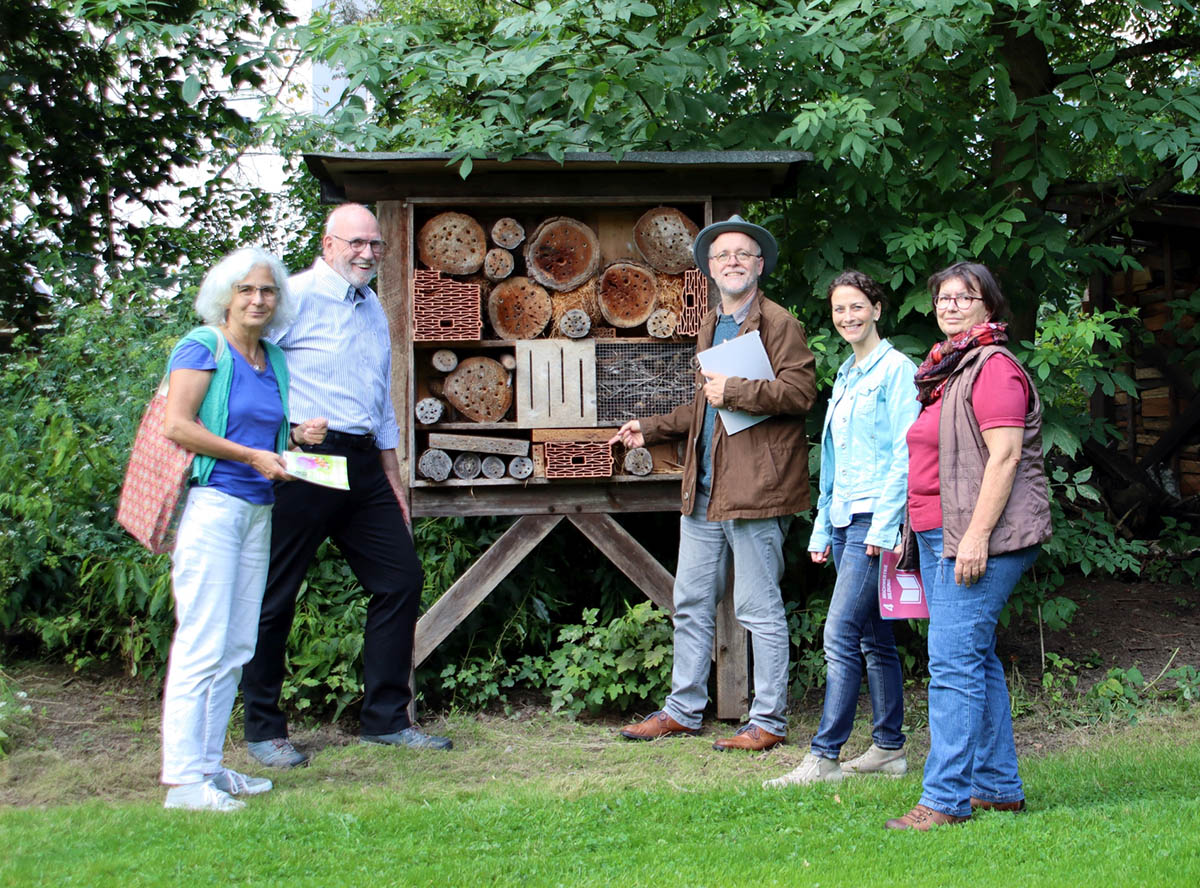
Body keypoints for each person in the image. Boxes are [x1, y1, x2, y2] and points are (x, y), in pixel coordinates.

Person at [242, 203, 451, 769]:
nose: (367, 253)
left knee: (399, 578)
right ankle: (263, 728)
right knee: (276, 593)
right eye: (356, 243)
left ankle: (386, 720)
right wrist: (282, 431)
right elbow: (250, 366)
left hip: (362, 462)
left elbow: (379, 399)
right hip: (307, 459)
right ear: (328, 243)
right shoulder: (296, 295)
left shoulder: (373, 306)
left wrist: (393, 474)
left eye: (374, 245)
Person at [612, 215, 816, 751]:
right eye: (723, 254)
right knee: (692, 602)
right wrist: (651, 429)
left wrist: (742, 391)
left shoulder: (777, 322)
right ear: (709, 268)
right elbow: (708, 403)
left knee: (757, 609)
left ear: (759, 265)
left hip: (752, 494)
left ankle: (769, 721)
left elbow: (800, 394)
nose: (733, 261)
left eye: (743, 254)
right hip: (702, 491)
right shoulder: (711, 323)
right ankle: (683, 709)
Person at [885, 261, 1052, 830]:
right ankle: (999, 787)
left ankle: (946, 800)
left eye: (965, 296)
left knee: (952, 663)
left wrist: (976, 536)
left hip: (983, 537)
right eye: (944, 298)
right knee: (972, 660)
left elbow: (1004, 457)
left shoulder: (994, 368)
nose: (951, 305)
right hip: (938, 531)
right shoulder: (948, 369)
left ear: (989, 306)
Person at [160, 247, 327, 811]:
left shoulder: (272, 358)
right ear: (225, 297)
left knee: (236, 643)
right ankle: (184, 782)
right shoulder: (203, 346)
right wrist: (252, 455)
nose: (258, 300)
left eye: (268, 291)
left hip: (257, 508)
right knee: (202, 643)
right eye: (246, 290)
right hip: (213, 507)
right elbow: (178, 426)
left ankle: (209, 767)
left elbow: (267, 440)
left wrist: (295, 440)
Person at [765, 270, 919, 788]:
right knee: (875, 637)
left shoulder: (898, 370)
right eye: (839, 310)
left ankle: (824, 756)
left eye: (857, 306)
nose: (848, 317)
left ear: (877, 308)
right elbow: (832, 460)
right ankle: (889, 750)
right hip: (844, 519)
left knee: (839, 633)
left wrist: (887, 522)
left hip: (875, 520)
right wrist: (820, 530)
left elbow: (905, 453)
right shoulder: (847, 376)